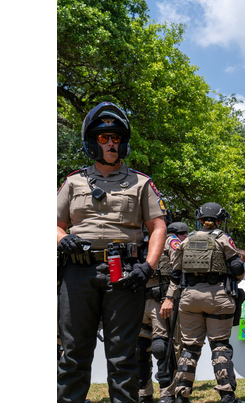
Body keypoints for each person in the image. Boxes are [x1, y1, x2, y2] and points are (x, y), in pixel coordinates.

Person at [57, 102, 167, 403]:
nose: (111, 143)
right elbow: (53, 225)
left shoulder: (141, 183)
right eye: (104, 138)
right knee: (73, 354)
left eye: (116, 137)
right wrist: (61, 239)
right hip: (77, 274)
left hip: (125, 274)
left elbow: (158, 226)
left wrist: (148, 267)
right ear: (92, 142)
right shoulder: (73, 182)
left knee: (123, 358)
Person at [159, 203, 245, 403]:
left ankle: (181, 395)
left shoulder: (186, 240)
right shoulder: (223, 239)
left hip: (189, 298)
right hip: (218, 297)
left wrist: (170, 297)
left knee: (189, 347)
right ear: (219, 220)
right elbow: (237, 267)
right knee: (220, 346)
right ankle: (226, 395)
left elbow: (175, 272)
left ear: (199, 220)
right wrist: (234, 281)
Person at [137, 221, 189, 403]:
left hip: (162, 299)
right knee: (140, 349)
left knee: (162, 348)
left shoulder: (169, 240)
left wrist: (170, 296)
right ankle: (144, 393)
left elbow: (178, 268)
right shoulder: (135, 238)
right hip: (140, 300)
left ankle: (167, 394)